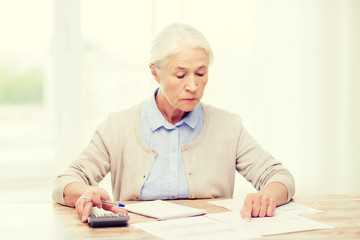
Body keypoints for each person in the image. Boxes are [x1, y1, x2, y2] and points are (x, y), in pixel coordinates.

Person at [52, 23, 295, 223]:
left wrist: (266, 196)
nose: (192, 85)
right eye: (180, 75)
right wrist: (86, 192)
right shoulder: (118, 126)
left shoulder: (228, 126)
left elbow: (279, 176)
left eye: (200, 73)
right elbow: (64, 182)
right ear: (155, 74)